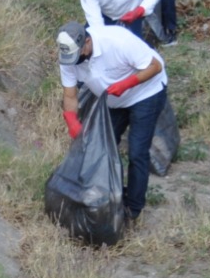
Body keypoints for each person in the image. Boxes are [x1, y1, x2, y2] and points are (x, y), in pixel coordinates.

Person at [56, 21, 168, 223]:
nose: (74, 62)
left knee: (137, 151)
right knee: (99, 148)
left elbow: (156, 66)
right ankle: (104, 195)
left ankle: (132, 209)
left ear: (87, 42)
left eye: (77, 56)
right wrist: (72, 122)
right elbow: (71, 96)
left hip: (146, 93)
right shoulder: (68, 57)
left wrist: (127, 83)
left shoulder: (117, 41)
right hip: (114, 100)